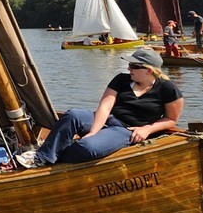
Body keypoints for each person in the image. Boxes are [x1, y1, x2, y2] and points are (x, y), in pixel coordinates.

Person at [16, 47, 182, 168]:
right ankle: (41, 157)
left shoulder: (167, 89)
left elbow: (171, 119)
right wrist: (94, 132)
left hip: (125, 130)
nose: (128, 68)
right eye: (129, 65)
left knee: (88, 147)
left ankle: (52, 154)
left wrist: (147, 129)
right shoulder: (121, 79)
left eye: (133, 66)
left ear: (149, 71)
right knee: (73, 115)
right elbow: (105, 106)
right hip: (103, 119)